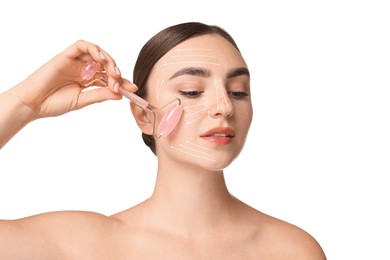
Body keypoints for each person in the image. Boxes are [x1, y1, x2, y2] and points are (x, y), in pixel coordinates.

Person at [0, 22, 326, 259]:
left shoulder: (292, 250)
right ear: (144, 115)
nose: (224, 107)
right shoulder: (84, 245)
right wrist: (25, 104)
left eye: (238, 91)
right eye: (191, 92)